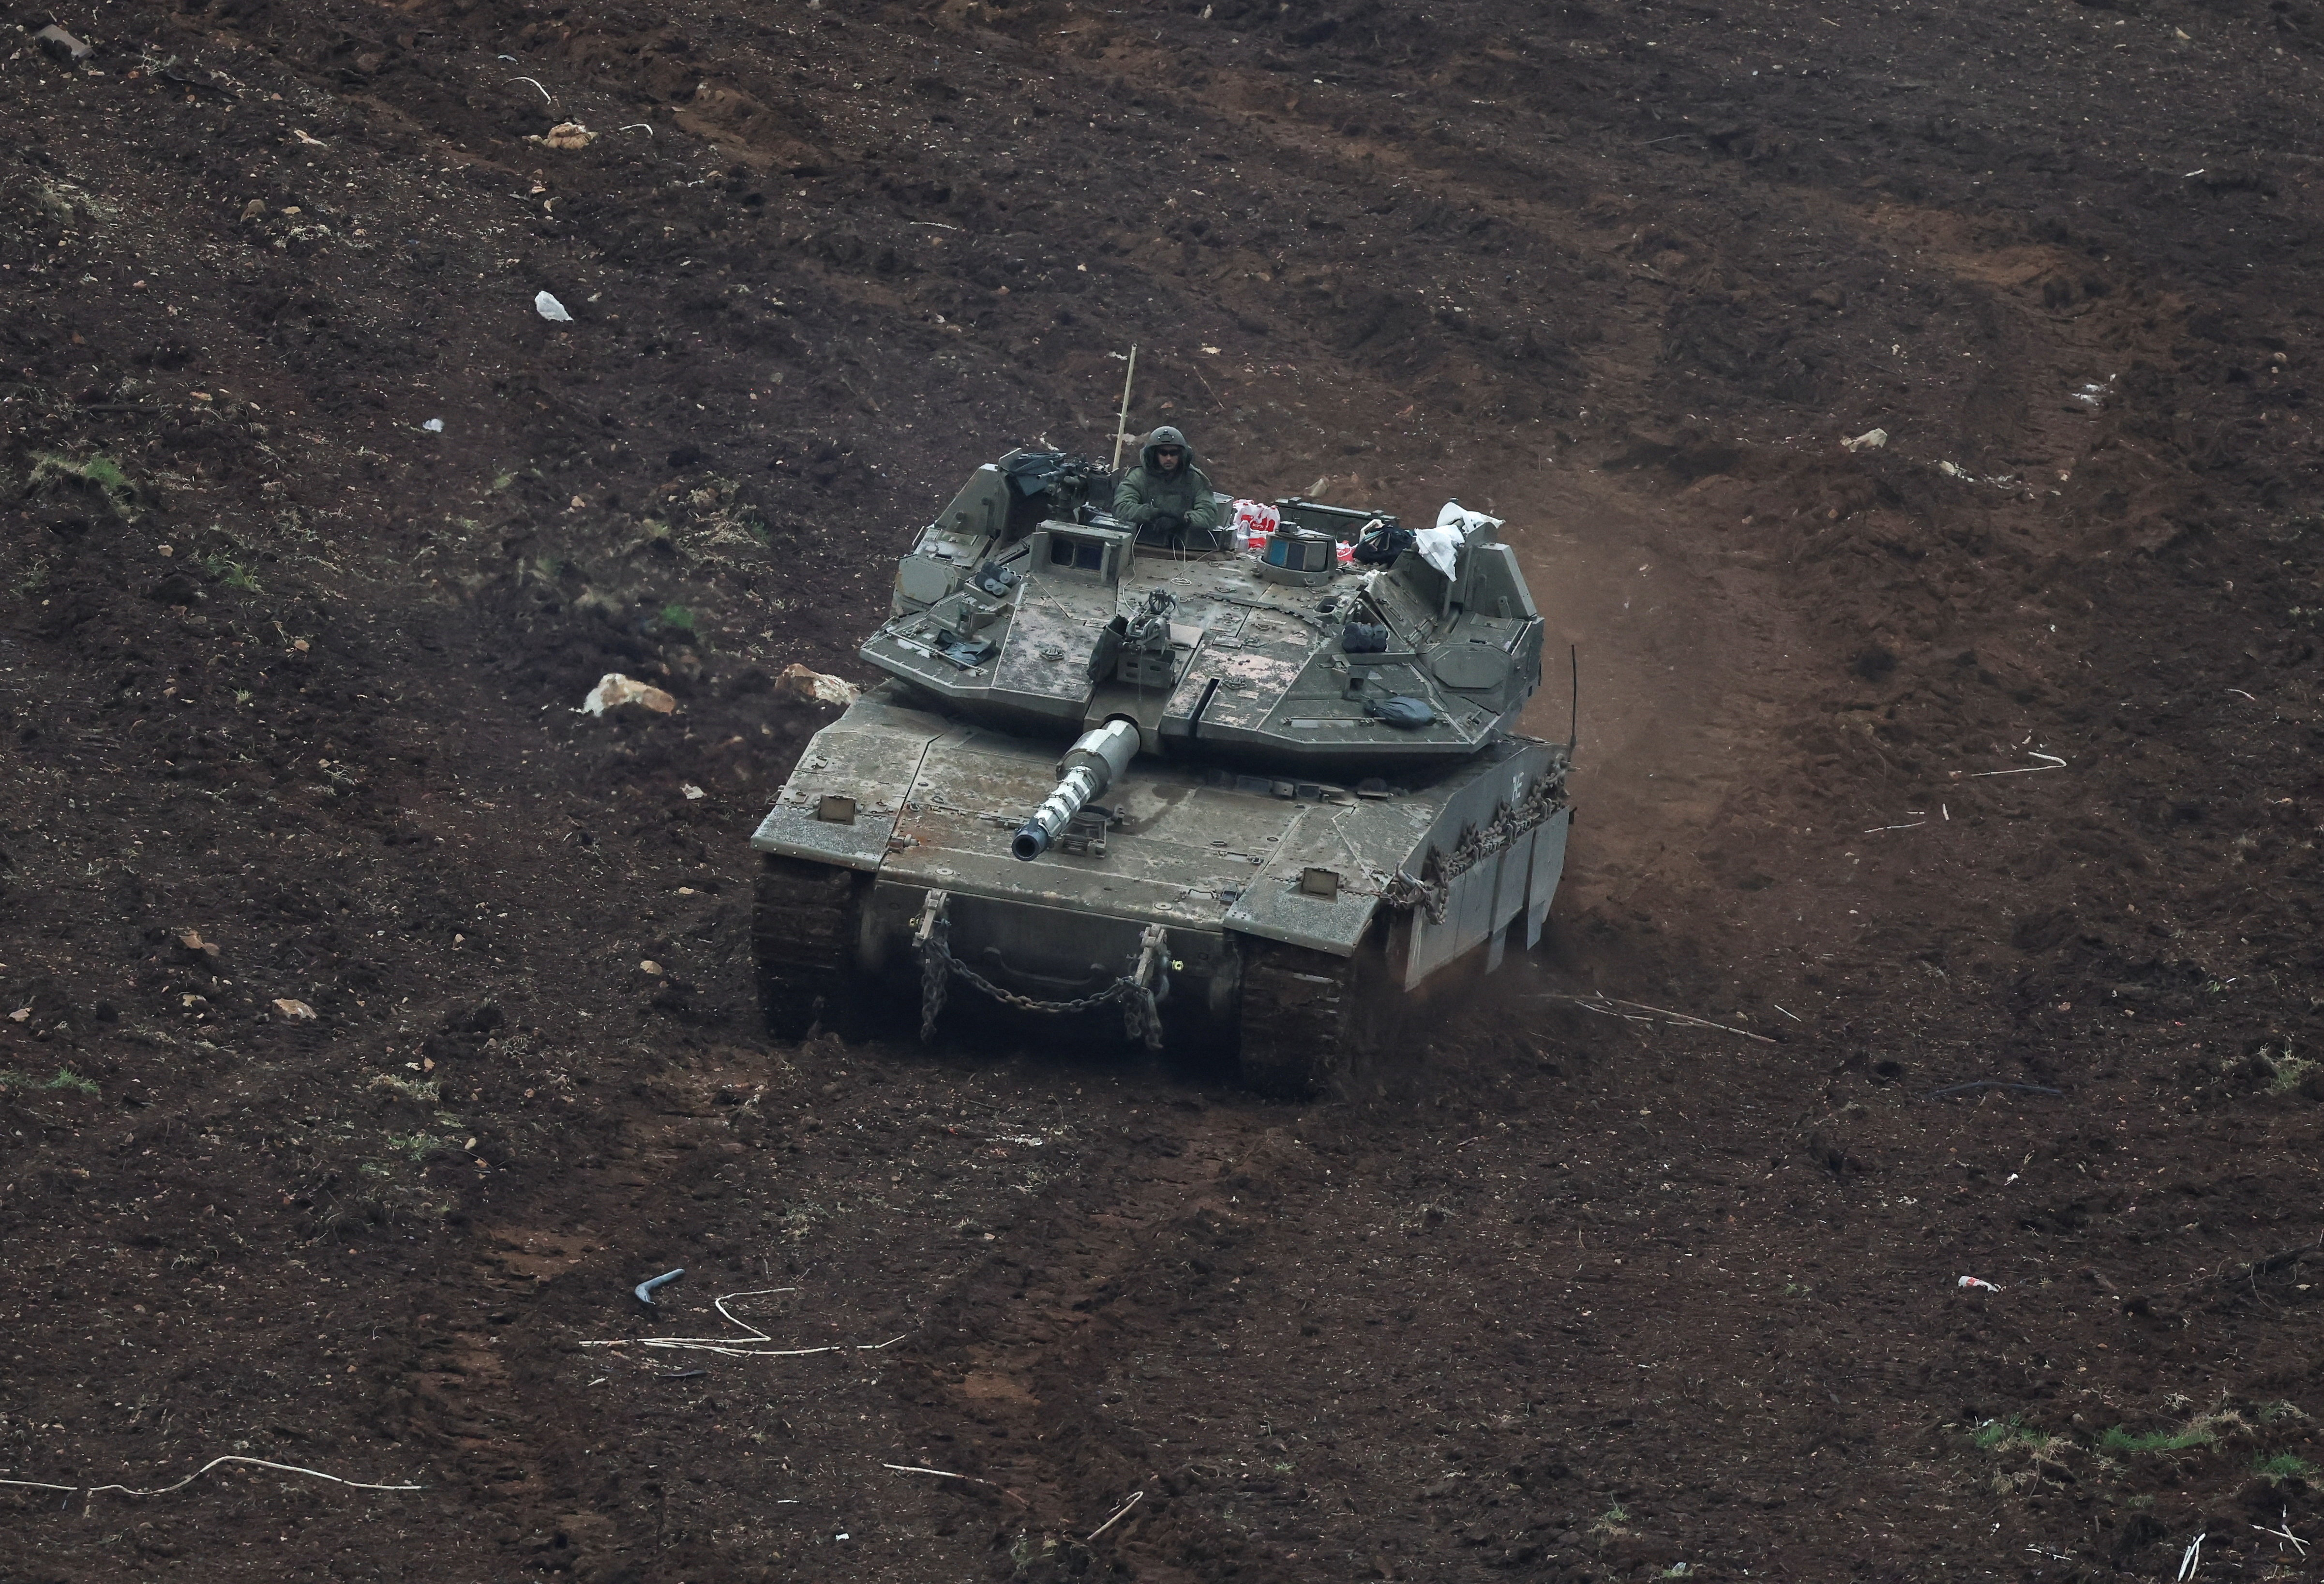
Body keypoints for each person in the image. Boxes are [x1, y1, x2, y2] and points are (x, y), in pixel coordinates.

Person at [1113, 425, 1226, 550]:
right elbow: (1121, 508)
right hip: (1142, 548)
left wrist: (1182, 519)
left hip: (1185, 551)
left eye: (1174, 453)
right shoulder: (1139, 477)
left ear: (1182, 454)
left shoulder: (1194, 479)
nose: (1168, 458)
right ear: (1154, 454)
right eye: (1163, 453)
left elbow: (1209, 515)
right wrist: (1154, 513)